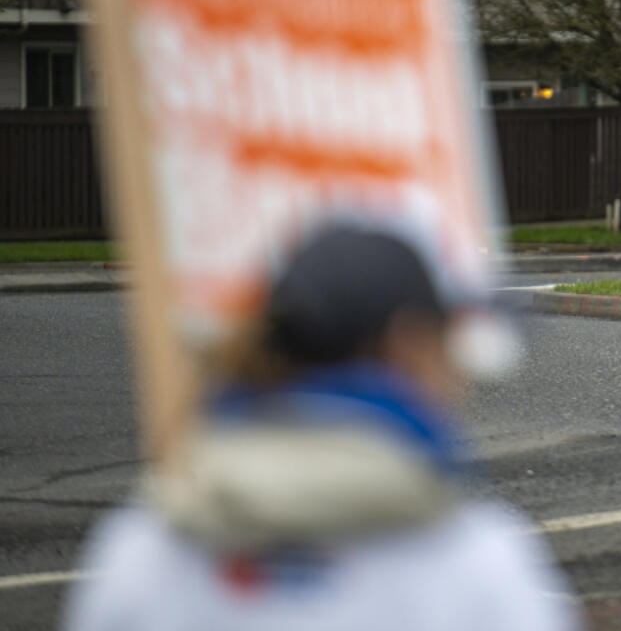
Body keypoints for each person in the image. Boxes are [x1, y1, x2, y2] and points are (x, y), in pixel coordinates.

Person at [62, 218, 582, 631]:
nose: (461, 377)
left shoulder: (143, 551)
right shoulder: (475, 562)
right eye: (451, 344)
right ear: (411, 344)